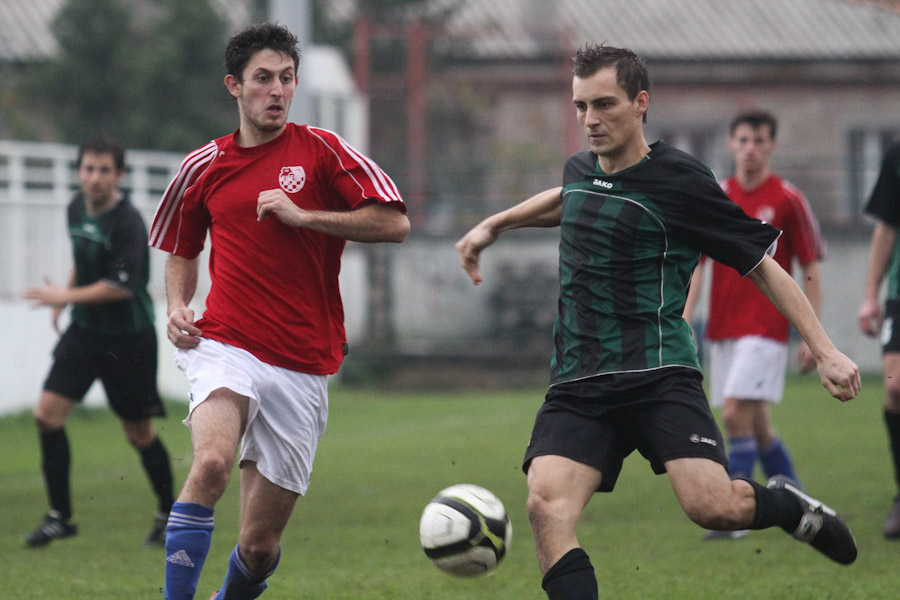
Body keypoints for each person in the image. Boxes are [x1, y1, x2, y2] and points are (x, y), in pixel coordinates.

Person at [455, 44, 860, 600]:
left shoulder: (681, 181)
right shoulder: (581, 168)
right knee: (546, 506)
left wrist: (826, 349)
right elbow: (569, 197)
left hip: (658, 372)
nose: (590, 120)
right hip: (578, 379)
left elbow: (762, 266)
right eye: (580, 106)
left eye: (604, 104)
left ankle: (789, 506)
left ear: (641, 103)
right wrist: (494, 225)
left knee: (713, 508)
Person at [149, 23, 409, 600]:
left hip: (302, 362)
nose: (277, 91)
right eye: (263, 78)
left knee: (259, 548)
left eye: (286, 79)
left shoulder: (323, 151)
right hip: (225, 344)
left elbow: (395, 223)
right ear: (234, 86)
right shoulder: (203, 166)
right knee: (211, 464)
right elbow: (181, 249)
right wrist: (177, 305)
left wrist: (305, 215)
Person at [23, 136, 175, 549]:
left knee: (139, 434)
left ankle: (169, 514)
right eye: (88, 168)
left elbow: (119, 286)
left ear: (118, 175)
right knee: (47, 416)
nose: (94, 177)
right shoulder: (75, 207)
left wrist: (64, 296)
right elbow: (84, 259)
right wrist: (66, 297)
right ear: (79, 171)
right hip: (85, 332)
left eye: (104, 170)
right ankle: (60, 517)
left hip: (129, 340)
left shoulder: (128, 222)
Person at [684, 110, 826, 540]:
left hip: (766, 328)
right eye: (743, 140)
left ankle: (734, 513)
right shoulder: (720, 195)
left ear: (771, 145)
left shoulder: (787, 198)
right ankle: (802, 504)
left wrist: (812, 334)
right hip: (723, 328)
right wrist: (686, 317)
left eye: (759, 140)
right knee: (757, 423)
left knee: (732, 413)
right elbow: (698, 264)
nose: (750, 148)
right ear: (731, 144)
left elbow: (810, 264)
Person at [858, 139, 900, 539]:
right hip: (899, 293)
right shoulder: (896, 154)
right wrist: (870, 294)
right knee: (895, 387)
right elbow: (886, 226)